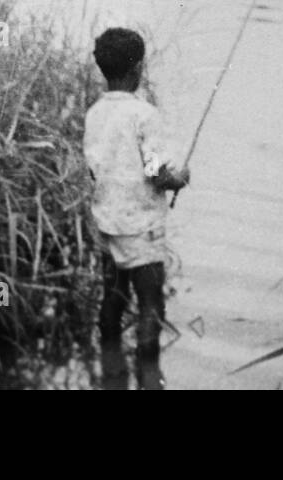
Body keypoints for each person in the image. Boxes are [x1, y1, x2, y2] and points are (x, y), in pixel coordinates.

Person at [83, 28, 190, 390]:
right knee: (150, 302)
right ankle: (148, 374)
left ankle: (110, 368)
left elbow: (95, 168)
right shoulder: (145, 115)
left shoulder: (94, 113)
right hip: (140, 225)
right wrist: (178, 178)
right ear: (138, 68)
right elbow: (156, 172)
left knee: (112, 296)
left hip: (105, 221)